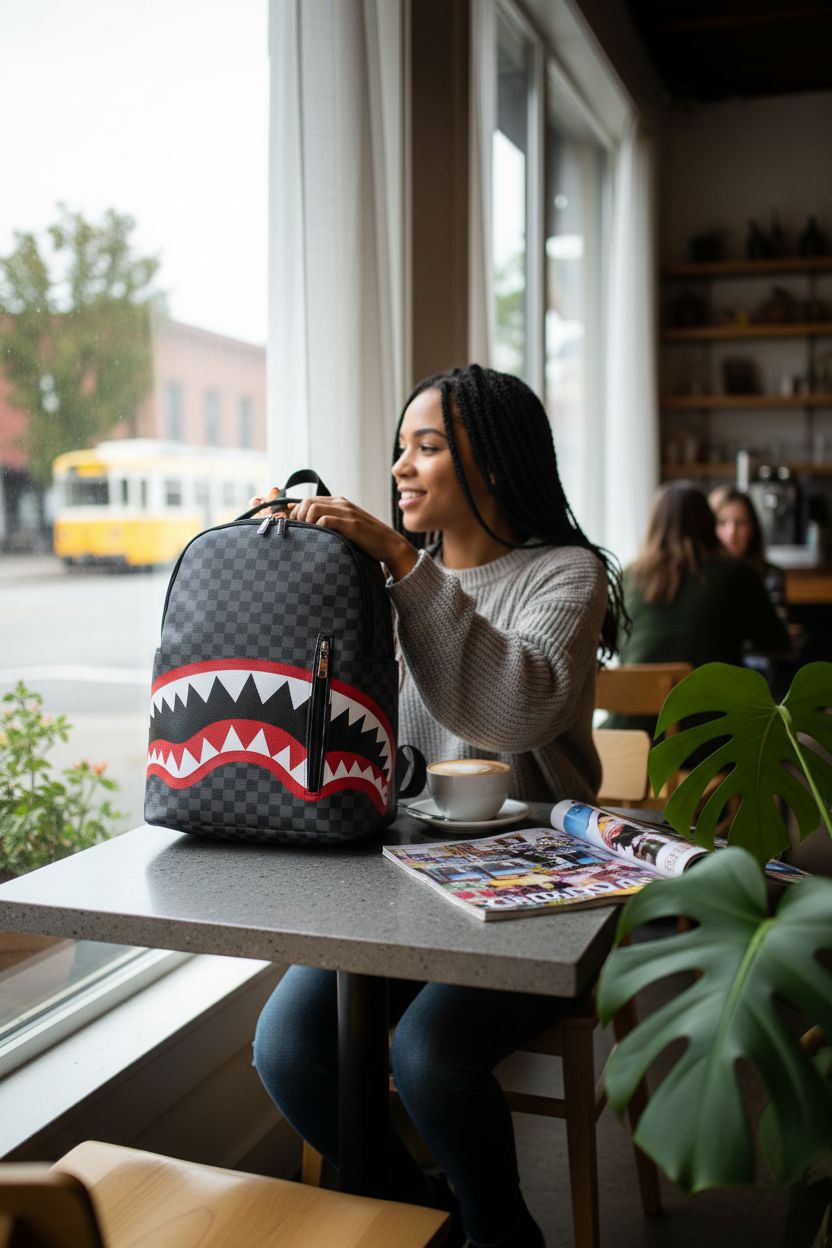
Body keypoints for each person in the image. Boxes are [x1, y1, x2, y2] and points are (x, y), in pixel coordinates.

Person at [251, 363, 627, 1248]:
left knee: (428, 1055)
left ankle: (504, 1234)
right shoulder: (382, 586)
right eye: (399, 448)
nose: (400, 469)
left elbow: (513, 709)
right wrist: (293, 565)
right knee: (289, 1049)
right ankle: (433, 1221)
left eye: (427, 448)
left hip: (543, 887)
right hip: (410, 878)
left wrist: (401, 564)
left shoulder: (565, 578)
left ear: (492, 465)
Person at [607, 481, 789, 734]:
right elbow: (777, 641)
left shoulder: (627, 577)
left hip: (630, 740)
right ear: (708, 523)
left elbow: (615, 644)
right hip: (708, 740)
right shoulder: (736, 573)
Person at [708, 484, 788, 621]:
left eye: (740, 523)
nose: (731, 532)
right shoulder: (701, 576)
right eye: (722, 522)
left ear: (753, 529)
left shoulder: (770, 576)